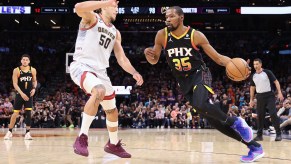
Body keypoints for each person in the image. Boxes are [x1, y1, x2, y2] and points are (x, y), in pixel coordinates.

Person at [144, 6, 264, 163]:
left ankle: (236, 121)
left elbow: (219, 58)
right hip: (183, 81)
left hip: (200, 74)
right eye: (166, 16)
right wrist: (149, 55)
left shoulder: (195, 35)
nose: (168, 19)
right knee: (214, 122)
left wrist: (238, 64)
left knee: (201, 103)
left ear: (181, 18)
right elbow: (154, 60)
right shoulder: (161, 35)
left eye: (172, 16)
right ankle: (254, 147)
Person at [70, 0, 143, 158]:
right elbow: (77, 7)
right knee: (99, 91)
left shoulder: (116, 32)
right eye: (114, 6)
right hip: (82, 66)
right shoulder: (92, 18)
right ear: (104, 6)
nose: (117, 9)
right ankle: (82, 137)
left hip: (101, 72)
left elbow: (121, 59)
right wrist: (105, 1)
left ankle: (113, 144)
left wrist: (134, 72)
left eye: (117, 7)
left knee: (112, 110)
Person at [4, 54, 37, 140]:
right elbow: (15, 83)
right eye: (23, 59)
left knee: (29, 113)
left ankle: (27, 133)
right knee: (15, 113)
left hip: (29, 95)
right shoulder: (16, 70)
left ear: (29, 61)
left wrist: (34, 89)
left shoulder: (32, 70)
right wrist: (22, 93)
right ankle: (10, 131)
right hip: (20, 94)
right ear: (21, 61)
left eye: (27, 60)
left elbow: (35, 81)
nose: (25, 61)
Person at [250, 58, 284, 141]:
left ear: (261, 64)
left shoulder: (267, 72)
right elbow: (252, 88)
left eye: (257, 64)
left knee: (273, 114)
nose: (255, 66)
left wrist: (279, 92)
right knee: (260, 116)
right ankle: (259, 135)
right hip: (259, 97)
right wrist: (251, 99)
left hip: (269, 95)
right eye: (254, 64)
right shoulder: (253, 76)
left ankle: (278, 134)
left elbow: (276, 82)